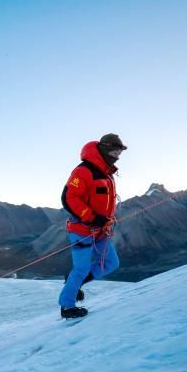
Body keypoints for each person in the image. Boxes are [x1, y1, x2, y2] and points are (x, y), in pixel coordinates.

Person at [59, 133, 124, 318]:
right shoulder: (84, 171)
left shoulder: (107, 173)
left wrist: (107, 220)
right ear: (104, 148)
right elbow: (69, 198)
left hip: (101, 230)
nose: (117, 155)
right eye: (114, 150)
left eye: (119, 152)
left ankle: (74, 282)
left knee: (111, 263)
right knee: (80, 269)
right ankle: (67, 307)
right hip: (82, 230)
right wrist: (91, 217)